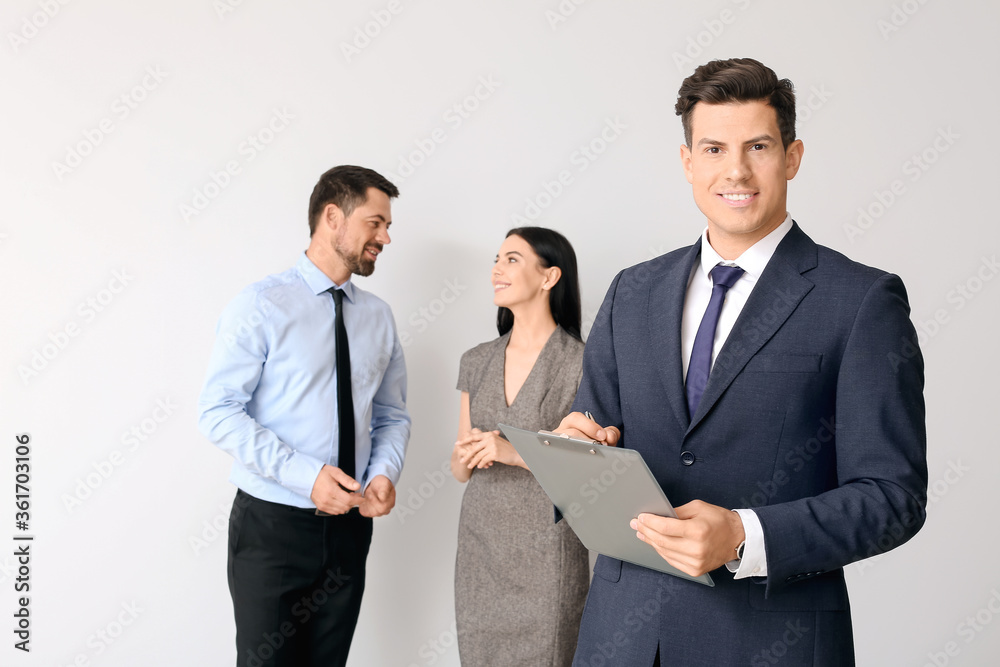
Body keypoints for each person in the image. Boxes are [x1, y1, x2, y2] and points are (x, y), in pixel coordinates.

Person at [557, 58, 928, 666]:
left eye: (758, 146)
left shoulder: (861, 300)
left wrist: (743, 535)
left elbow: (893, 497)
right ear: (688, 163)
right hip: (621, 639)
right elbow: (594, 433)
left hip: (771, 644)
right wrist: (574, 453)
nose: (736, 171)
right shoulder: (632, 291)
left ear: (792, 157)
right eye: (713, 149)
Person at [198, 165, 410, 667]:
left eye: (387, 226)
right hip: (272, 528)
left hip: (351, 529)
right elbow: (218, 411)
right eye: (375, 223)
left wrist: (383, 473)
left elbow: (391, 414)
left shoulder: (378, 316)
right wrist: (306, 476)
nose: (384, 238)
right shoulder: (262, 304)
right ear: (332, 217)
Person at [451, 227, 590, 666]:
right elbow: (459, 469)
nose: (497, 269)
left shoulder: (583, 362)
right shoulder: (476, 360)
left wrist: (510, 451)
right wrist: (465, 455)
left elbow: (590, 469)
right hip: (480, 549)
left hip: (547, 549)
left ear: (549, 276)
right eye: (496, 259)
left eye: (512, 259)